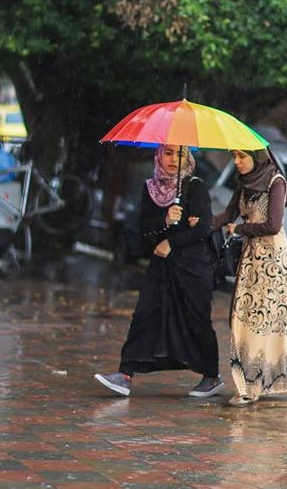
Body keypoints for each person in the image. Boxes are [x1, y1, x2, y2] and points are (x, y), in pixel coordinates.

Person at [95, 144, 223, 398]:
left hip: (193, 269)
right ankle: (125, 373)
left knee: (196, 320)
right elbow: (144, 228)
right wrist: (165, 219)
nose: (174, 159)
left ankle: (211, 375)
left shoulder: (195, 186)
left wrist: (171, 242)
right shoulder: (150, 188)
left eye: (180, 154)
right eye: (168, 153)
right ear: (158, 156)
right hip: (162, 268)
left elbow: (203, 227)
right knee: (145, 315)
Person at [213, 148, 287, 406]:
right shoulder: (244, 183)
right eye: (234, 157)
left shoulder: (276, 182)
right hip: (249, 258)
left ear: (256, 156)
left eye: (241, 156)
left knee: (260, 320)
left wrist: (240, 228)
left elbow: (273, 225)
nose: (236, 162)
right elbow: (227, 215)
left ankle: (249, 387)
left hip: (271, 260)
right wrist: (196, 222)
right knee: (240, 318)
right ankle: (275, 374)